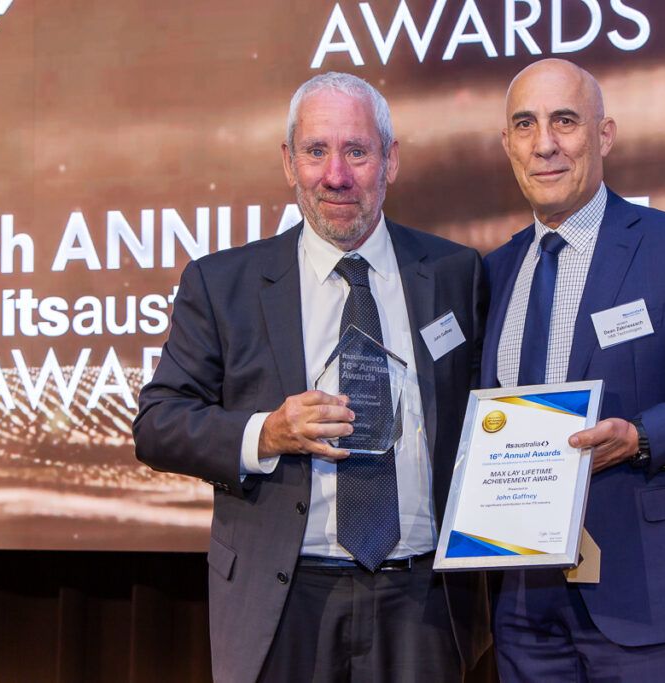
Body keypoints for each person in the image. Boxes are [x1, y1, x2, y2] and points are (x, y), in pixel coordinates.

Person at [133, 72, 490, 682]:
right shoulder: (223, 284)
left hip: (423, 601)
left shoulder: (456, 272)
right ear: (288, 162)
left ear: (391, 160)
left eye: (357, 152)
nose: (336, 175)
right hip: (284, 599)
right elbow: (158, 424)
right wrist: (265, 433)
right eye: (316, 151)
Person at [482, 59, 665, 681]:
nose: (545, 144)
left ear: (604, 135)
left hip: (647, 592)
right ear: (507, 143)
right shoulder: (496, 270)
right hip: (524, 600)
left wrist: (641, 437)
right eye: (526, 125)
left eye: (565, 121)